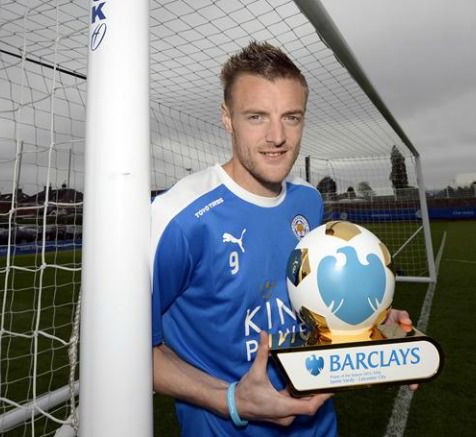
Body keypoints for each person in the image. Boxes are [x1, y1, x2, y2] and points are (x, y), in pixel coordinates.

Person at [151, 41, 414, 436]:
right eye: (257, 116)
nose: (278, 136)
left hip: (319, 426)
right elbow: (121, 349)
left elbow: (307, 305)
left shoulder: (307, 200)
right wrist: (229, 399)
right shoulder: (177, 218)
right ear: (227, 118)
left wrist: (366, 321)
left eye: (291, 117)